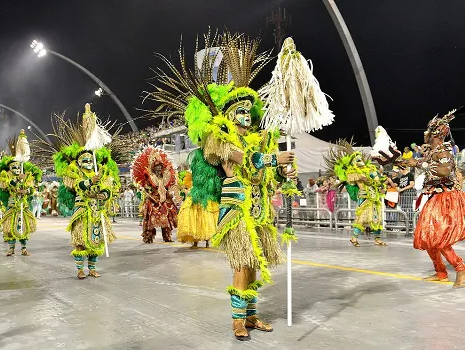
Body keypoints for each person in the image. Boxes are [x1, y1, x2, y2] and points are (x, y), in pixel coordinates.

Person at [144, 30, 297, 341]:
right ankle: (237, 321)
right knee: (242, 264)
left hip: (258, 209)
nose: (244, 115)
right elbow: (246, 161)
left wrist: (285, 174)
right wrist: (274, 160)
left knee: (254, 265)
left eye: (247, 111)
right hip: (236, 210)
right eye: (238, 111)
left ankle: (251, 315)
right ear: (228, 115)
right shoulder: (220, 141)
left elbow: (265, 173)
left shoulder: (258, 139)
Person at [38, 104, 119, 279]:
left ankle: (92, 269)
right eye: (85, 159)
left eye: (90, 159)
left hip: (97, 212)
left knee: (95, 241)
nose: (88, 162)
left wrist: (102, 193)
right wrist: (91, 181)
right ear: (79, 162)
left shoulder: (101, 172)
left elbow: (107, 190)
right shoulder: (74, 173)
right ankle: (80, 270)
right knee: (80, 242)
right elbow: (78, 186)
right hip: (82, 211)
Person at [405, 109, 465, 288]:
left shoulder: (443, 150)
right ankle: (441, 272)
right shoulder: (432, 151)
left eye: (428, 131)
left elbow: (444, 172)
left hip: (447, 198)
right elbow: (430, 168)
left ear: (436, 134)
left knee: (438, 237)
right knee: (427, 235)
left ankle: (461, 269)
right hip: (435, 197)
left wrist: (419, 164)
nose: (425, 134)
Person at [325, 141, 388, 247]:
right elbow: (361, 185)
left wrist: (381, 185)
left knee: (377, 218)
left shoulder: (370, 169)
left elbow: (379, 181)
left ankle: (377, 239)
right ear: (353, 162)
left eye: (360, 159)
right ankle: (354, 238)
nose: (360, 161)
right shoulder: (353, 172)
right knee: (362, 218)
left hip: (374, 196)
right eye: (357, 159)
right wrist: (370, 181)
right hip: (364, 197)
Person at [0, 130, 41, 256]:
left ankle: (24, 248)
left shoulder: (27, 176)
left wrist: (25, 189)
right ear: (9, 169)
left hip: (23, 206)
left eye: (17, 167)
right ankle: (11, 249)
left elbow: (31, 189)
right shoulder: (6, 177)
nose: (16, 169)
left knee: (24, 227)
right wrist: (17, 182)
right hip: (11, 206)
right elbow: (5, 185)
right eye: (13, 167)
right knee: (10, 228)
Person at [132, 147, 179, 243]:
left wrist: (169, 195)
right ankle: (148, 237)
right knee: (151, 221)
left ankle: (167, 237)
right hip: (153, 201)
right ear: (153, 169)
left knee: (166, 220)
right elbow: (146, 189)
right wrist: (150, 195)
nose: (159, 170)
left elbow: (167, 188)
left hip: (164, 201)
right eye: (157, 169)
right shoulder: (150, 178)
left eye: (160, 168)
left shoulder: (165, 177)